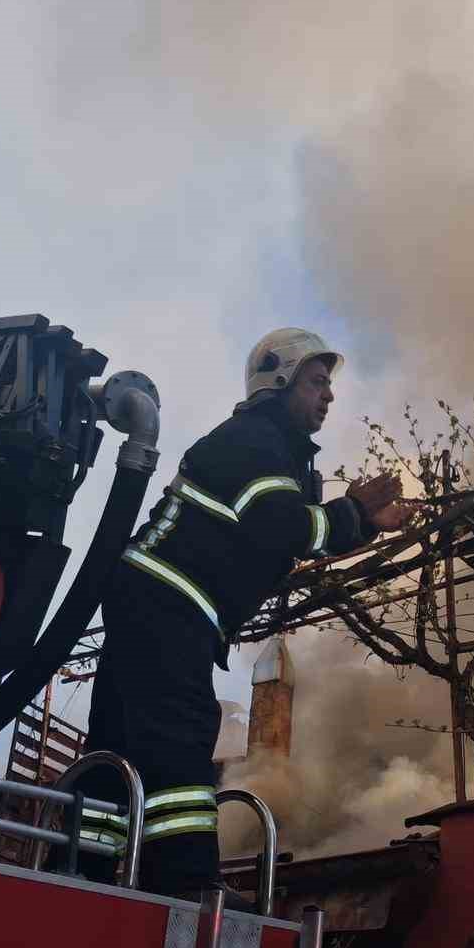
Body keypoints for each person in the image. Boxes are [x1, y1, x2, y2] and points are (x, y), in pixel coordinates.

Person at [64, 328, 407, 897]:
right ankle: (186, 881)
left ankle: (87, 869)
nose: (329, 395)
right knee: (181, 730)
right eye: (317, 382)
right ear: (279, 379)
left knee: (121, 744)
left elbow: (286, 532)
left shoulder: (278, 451)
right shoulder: (254, 440)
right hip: (168, 598)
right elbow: (284, 526)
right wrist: (355, 514)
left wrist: (361, 523)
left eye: (329, 385)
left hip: (155, 598)